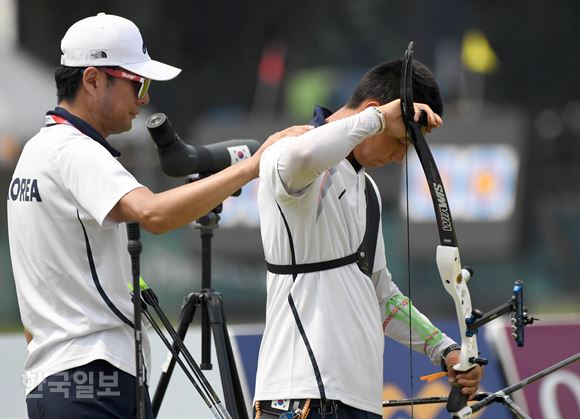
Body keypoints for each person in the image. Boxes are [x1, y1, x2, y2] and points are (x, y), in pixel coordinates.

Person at [6, 12, 309, 419]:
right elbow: (154, 214)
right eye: (137, 83)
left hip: (59, 379)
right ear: (93, 79)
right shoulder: (74, 149)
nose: (144, 98)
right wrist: (253, 166)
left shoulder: (37, 150)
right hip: (92, 379)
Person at [253, 59, 483, 418]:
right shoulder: (290, 151)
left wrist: (445, 349)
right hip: (301, 397)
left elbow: (381, 297)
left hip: (357, 401)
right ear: (375, 113)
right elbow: (301, 155)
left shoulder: (367, 190)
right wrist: (377, 121)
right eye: (400, 140)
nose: (399, 157)